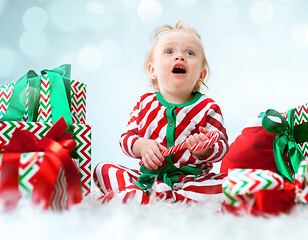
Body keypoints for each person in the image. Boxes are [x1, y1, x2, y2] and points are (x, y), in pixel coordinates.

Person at [93, 22, 229, 204]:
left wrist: (205, 150)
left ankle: (156, 196)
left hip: (192, 180)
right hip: (149, 177)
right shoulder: (144, 103)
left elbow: (222, 146)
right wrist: (142, 146)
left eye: (189, 53)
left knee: (226, 185)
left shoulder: (208, 107)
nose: (180, 57)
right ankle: (153, 193)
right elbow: (126, 138)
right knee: (103, 169)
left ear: (201, 75)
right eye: (169, 52)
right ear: (152, 70)